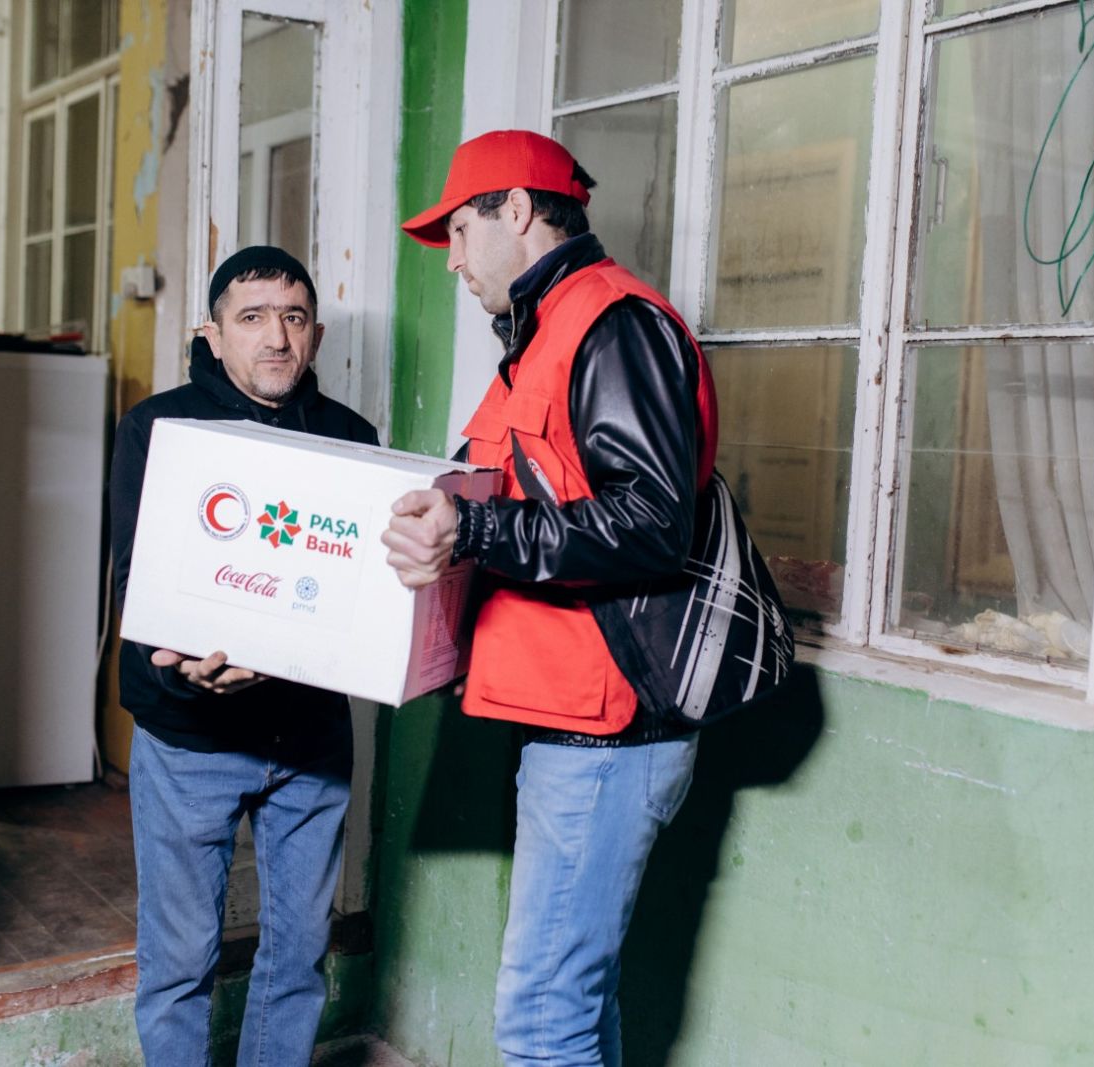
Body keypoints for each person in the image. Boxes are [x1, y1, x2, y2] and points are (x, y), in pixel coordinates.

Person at [383, 130, 720, 1065]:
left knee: (542, 1021)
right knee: (574, 1007)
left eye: (459, 231)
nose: (451, 260)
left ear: (520, 210)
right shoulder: (546, 335)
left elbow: (652, 522)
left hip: (609, 732)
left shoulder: (614, 324)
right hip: (571, 719)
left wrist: (475, 532)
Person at [109, 245, 378, 1065]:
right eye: (252, 317)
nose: (276, 337)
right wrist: (187, 666)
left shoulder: (353, 439)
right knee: (180, 960)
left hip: (311, 740)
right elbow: (135, 578)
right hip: (190, 737)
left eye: (293, 317)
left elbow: (361, 592)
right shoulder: (158, 428)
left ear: (316, 334)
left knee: (299, 955)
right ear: (214, 334)